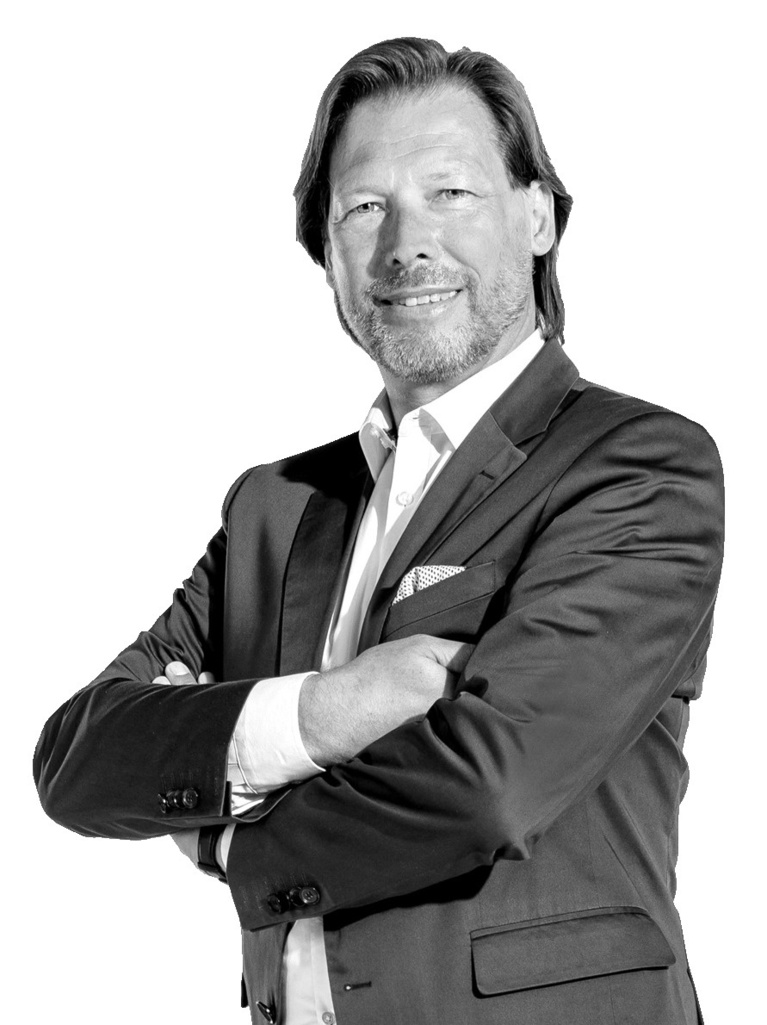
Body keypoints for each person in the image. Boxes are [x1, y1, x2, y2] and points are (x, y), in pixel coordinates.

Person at [33, 36, 724, 1025]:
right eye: (364, 207)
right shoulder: (276, 505)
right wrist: (327, 710)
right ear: (325, 250)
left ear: (536, 214)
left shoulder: (635, 465)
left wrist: (231, 835)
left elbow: (488, 785)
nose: (406, 242)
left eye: (450, 192)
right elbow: (80, 760)